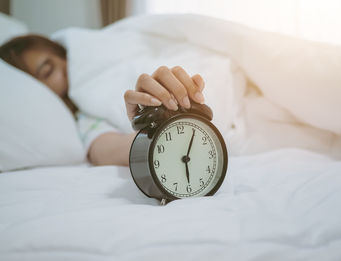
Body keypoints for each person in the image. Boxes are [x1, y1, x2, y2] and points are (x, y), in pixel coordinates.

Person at [0, 34, 205, 166]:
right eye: (47, 72)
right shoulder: (85, 119)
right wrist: (161, 125)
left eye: (57, 58)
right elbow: (107, 150)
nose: (65, 67)